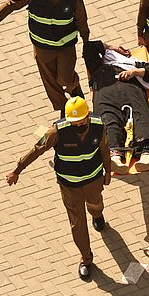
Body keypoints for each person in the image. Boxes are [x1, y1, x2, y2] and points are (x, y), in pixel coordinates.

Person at [6, 97, 110, 280]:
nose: (77, 124)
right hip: (70, 186)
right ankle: (86, 259)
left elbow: (104, 148)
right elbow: (37, 150)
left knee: (96, 204)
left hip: (93, 180)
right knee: (77, 224)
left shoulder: (98, 125)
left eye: (80, 121)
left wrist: (108, 172)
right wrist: (17, 170)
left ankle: (97, 215)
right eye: (73, 122)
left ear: (87, 116)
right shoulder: (57, 131)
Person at [0, 0, 90, 115]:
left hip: (65, 47)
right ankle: (64, 111)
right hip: (42, 48)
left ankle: (77, 97)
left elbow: (82, 20)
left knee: (66, 78)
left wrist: (86, 42)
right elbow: (12, 4)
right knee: (51, 82)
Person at [83, 40, 149, 174]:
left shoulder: (134, 63)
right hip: (105, 90)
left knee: (140, 114)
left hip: (131, 88)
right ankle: (115, 157)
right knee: (108, 117)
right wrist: (111, 47)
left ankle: (145, 155)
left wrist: (134, 72)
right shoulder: (99, 64)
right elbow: (89, 47)